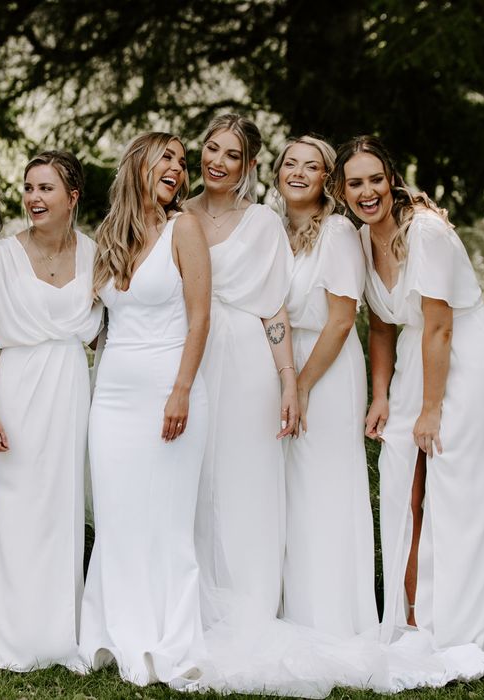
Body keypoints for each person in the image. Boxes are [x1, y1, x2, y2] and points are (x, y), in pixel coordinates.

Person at [332, 136, 484, 650]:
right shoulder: (361, 241)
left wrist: (431, 411)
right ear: (343, 192)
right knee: (398, 474)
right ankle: (409, 615)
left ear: (391, 179)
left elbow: (440, 328)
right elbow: (383, 327)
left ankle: (453, 627)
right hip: (416, 356)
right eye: (355, 183)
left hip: (466, 359)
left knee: (455, 486)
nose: (367, 192)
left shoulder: (425, 232)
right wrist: (381, 395)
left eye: (374, 180)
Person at [78, 132, 211, 687]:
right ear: (139, 164)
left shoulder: (186, 228)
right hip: (111, 396)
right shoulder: (109, 234)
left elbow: (200, 318)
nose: (178, 169)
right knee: (117, 516)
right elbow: (94, 321)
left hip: (170, 389)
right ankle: (112, 632)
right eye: (168, 158)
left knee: (167, 521)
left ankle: (168, 636)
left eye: (182, 163)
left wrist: (180, 389)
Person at [0, 151, 102, 670]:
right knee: (15, 504)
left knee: (62, 505)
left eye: (46, 188)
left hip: (71, 388)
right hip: (18, 387)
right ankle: (10, 633)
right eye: (28, 188)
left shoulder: (96, 254)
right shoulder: (2, 256)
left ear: (72, 197)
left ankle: (59, 630)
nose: (33, 198)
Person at [183, 114, 297, 628]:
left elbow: (274, 308)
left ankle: (248, 601)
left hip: (247, 358)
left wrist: (288, 378)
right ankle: (193, 601)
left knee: (243, 476)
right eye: (212, 148)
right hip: (188, 354)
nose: (218, 162)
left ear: (249, 166)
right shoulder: (176, 214)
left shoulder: (263, 223)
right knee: (192, 473)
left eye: (232, 155)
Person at [272, 136, 377, 637]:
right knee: (291, 489)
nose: (297, 172)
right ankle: (295, 609)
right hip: (287, 367)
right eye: (289, 163)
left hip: (327, 369)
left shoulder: (337, 231)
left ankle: (335, 618)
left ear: (326, 180)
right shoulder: (273, 229)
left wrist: (305, 384)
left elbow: (341, 320)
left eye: (310, 166)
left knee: (325, 483)